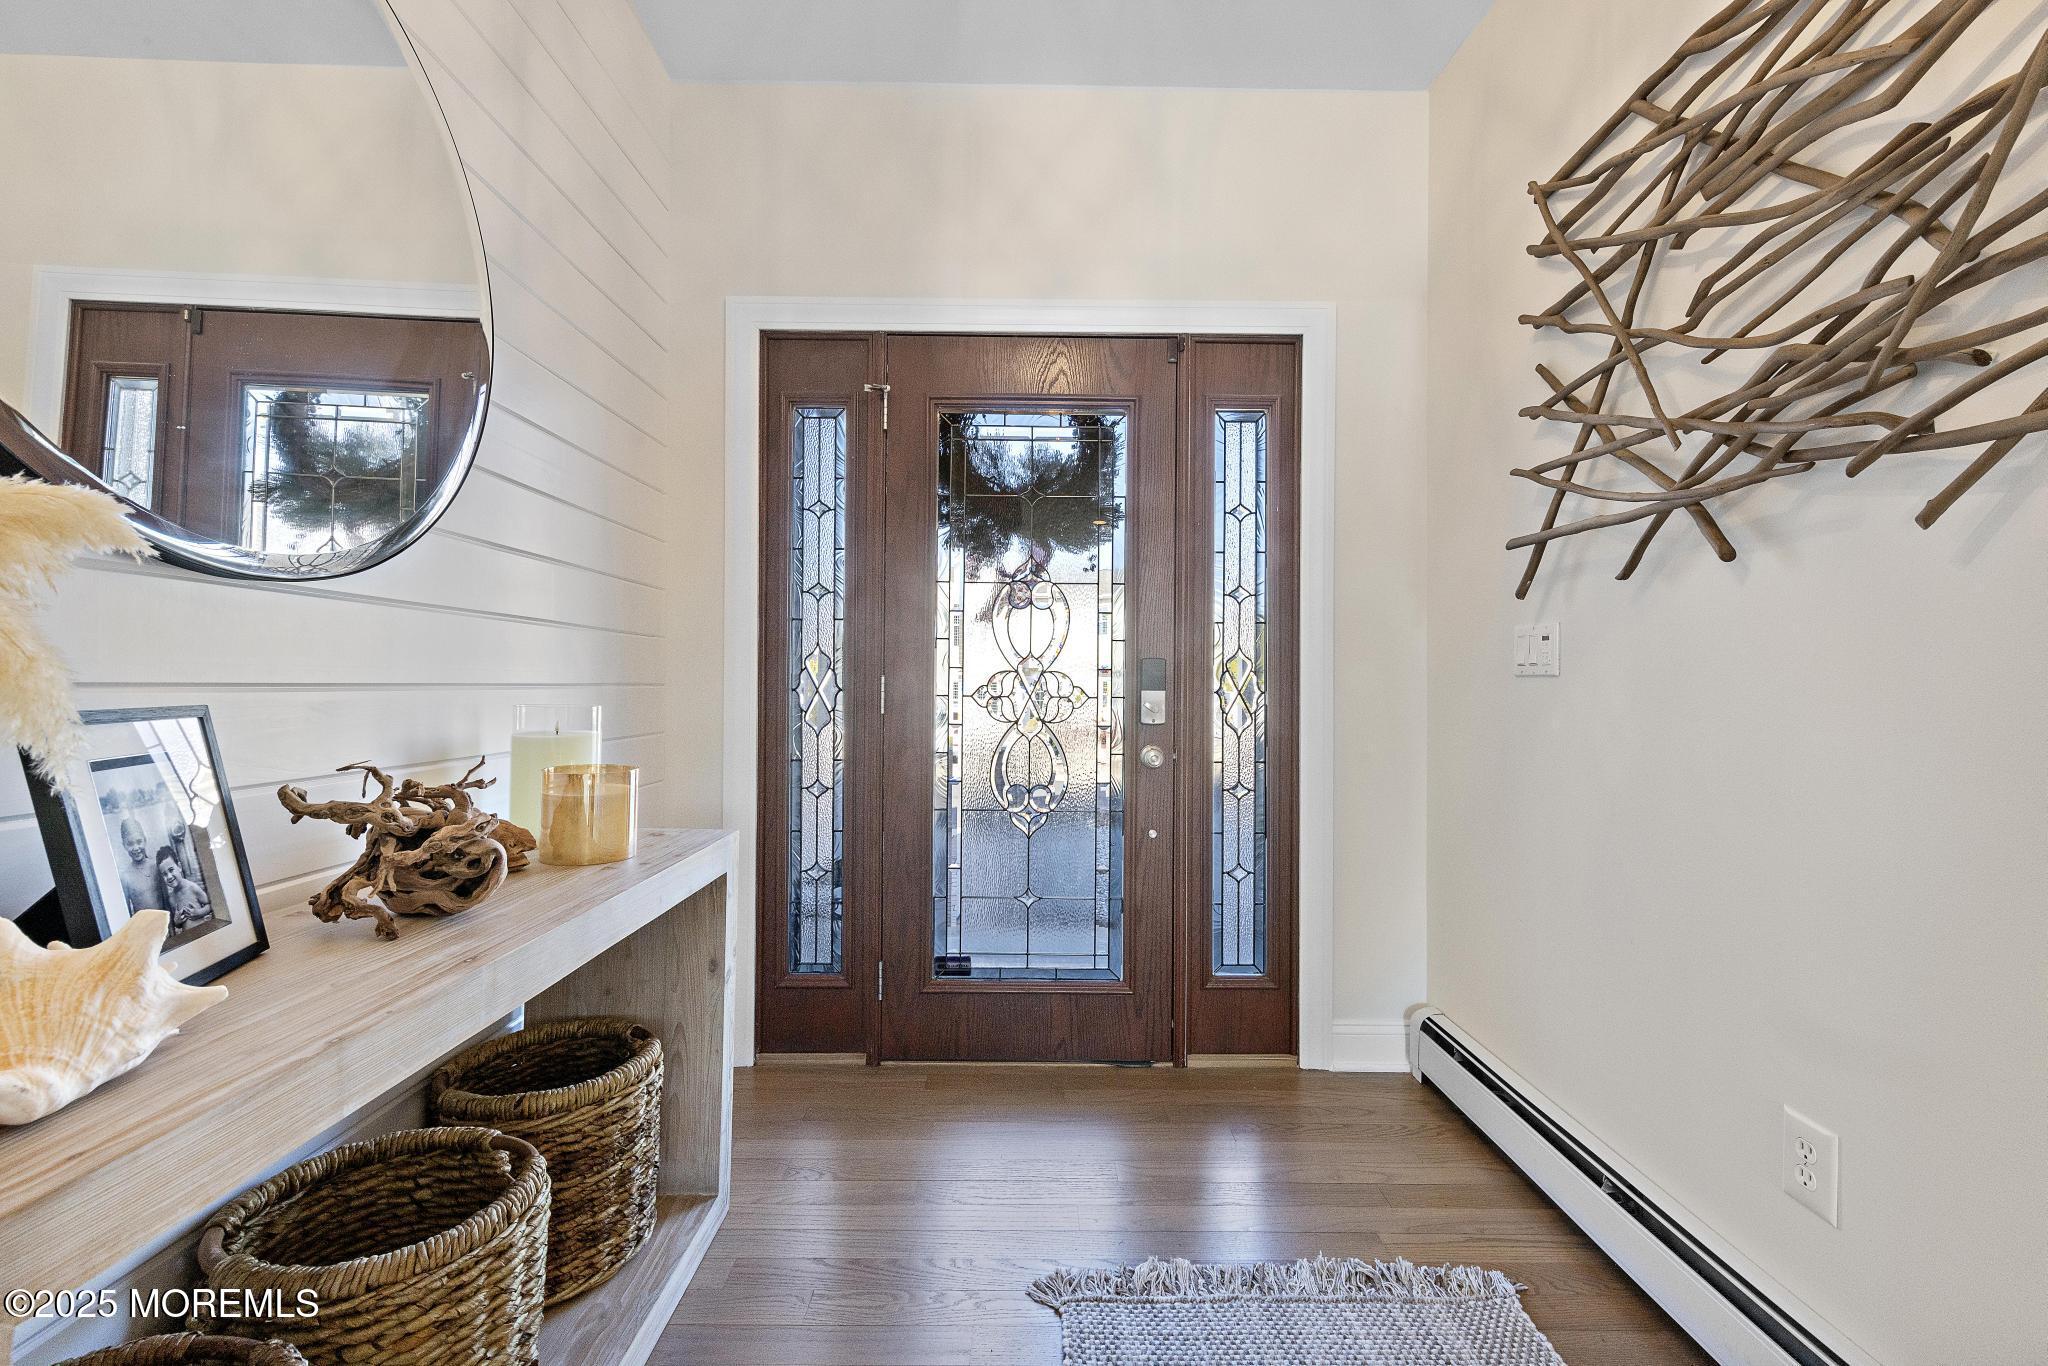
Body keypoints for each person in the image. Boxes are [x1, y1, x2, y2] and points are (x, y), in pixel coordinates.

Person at [155, 845, 213, 932]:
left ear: (179, 867)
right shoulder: (172, 898)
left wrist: (199, 913)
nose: (169, 876)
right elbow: (178, 924)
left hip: (204, 932)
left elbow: (211, 905)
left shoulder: (192, 888)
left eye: (171, 870)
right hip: (189, 938)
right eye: (164, 874)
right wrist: (177, 921)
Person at [116, 817, 161, 915]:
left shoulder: (156, 866)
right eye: (130, 844)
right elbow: (126, 911)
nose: (136, 848)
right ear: (124, 845)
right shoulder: (125, 877)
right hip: (143, 927)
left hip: (164, 924)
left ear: (145, 840)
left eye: (139, 842)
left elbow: (166, 900)